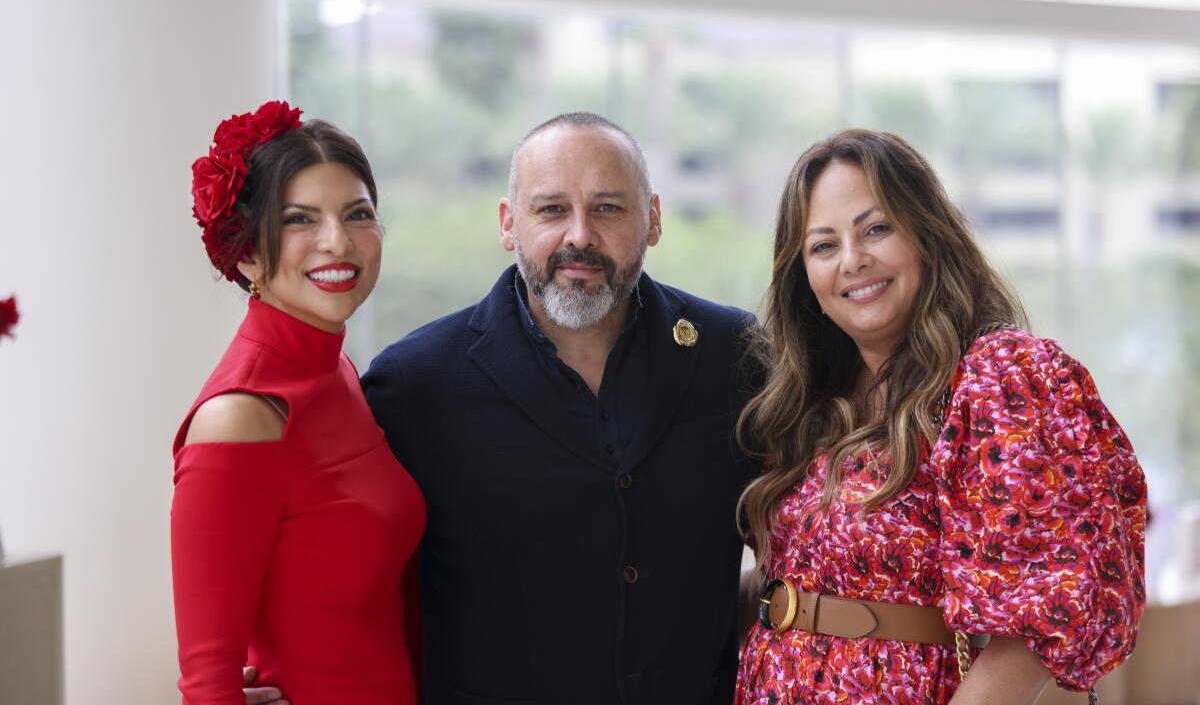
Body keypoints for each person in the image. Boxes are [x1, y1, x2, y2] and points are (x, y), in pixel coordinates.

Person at [735, 129, 1146, 704]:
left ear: (927, 235)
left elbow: (1035, 619)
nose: (853, 261)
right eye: (823, 246)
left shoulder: (1000, 378)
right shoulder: (812, 403)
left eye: (876, 229)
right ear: (804, 276)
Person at [358, 112, 757, 705]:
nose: (579, 236)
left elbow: (806, 538)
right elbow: (345, 566)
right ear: (507, 223)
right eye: (551, 209)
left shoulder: (737, 358)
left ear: (652, 220)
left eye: (608, 208)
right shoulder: (413, 385)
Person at [172, 101, 425, 705]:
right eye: (299, 220)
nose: (337, 242)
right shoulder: (240, 417)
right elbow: (208, 684)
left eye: (357, 213)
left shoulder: (335, 370)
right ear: (247, 253)